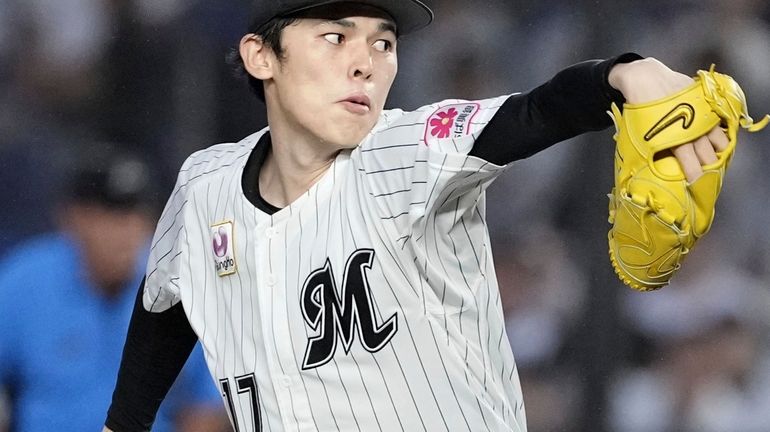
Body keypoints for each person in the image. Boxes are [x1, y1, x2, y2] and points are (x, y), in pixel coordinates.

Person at [103, 1, 732, 431]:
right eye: (335, 36)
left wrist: (620, 74)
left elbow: (534, 114)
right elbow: (166, 305)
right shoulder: (206, 184)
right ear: (261, 56)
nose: (366, 60)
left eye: (383, 41)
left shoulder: (409, 152)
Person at [0, 152, 229, 431]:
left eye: (134, 214)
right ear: (72, 219)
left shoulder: (180, 283)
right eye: (108, 215)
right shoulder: (25, 279)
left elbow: (206, 410)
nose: (124, 231)